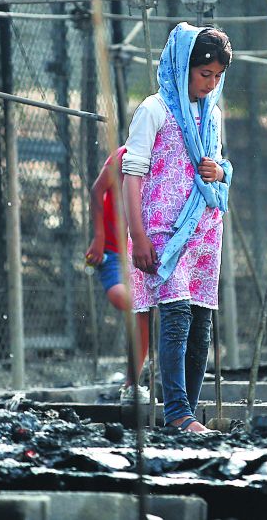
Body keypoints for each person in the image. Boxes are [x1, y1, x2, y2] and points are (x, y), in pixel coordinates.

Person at [122, 23, 233, 434]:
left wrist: (218, 170)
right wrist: (138, 236)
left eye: (218, 76)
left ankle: (188, 411)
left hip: (204, 230)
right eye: (205, 74)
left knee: (201, 321)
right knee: (175, 317)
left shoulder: (212, 114)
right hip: (164, 232)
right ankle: (177, 411)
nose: (211, 83)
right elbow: (131, 173)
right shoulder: (154, 109)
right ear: (183, 65)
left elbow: (219, 170)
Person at [85, 146, 151, 404]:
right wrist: (99, 237)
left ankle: (132, 383)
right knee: (125, 300)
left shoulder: (167, 157)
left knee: (143, 311)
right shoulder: (123, 156)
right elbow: (96, 191)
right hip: (112, 251)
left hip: (141, 251)